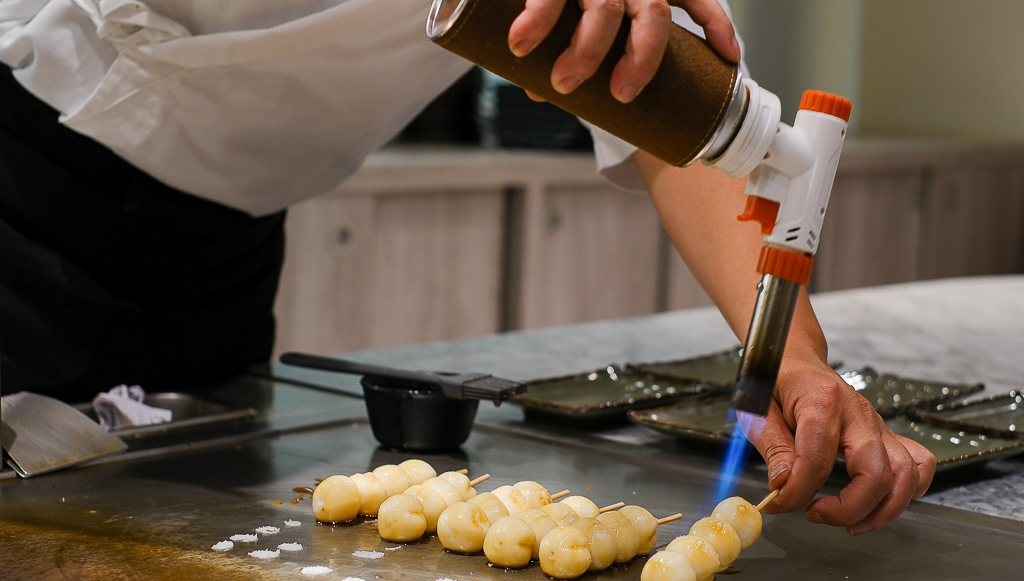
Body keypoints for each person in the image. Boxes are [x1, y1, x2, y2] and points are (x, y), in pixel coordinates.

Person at [0, 0, 934, 534]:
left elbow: (669, 116)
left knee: (157, 563)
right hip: (28, 157)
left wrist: (792, 358)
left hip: (223, 240)